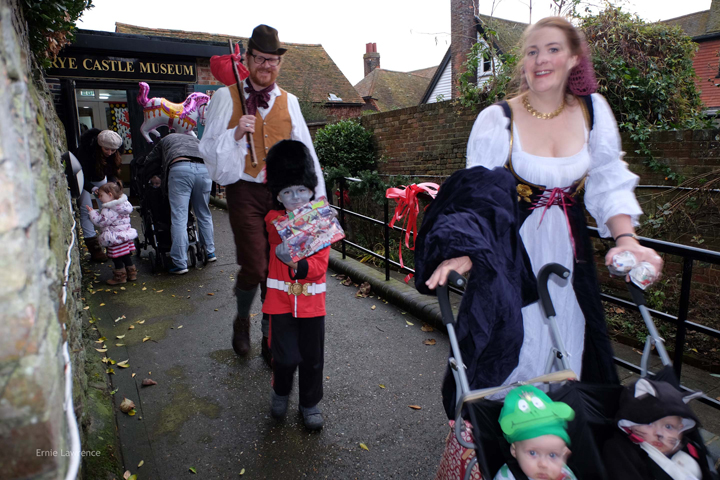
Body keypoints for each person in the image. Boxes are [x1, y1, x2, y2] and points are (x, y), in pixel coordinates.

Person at [418, 17, 665, 409]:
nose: (540, 59)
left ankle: (553, 456)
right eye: (532, 51)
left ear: (573, 59)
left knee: (569, 344)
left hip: (569, 254)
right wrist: (468, 250)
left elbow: (607, 179)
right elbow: (479, 199)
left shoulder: (593, 111)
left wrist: (626, 239)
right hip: (511, 255)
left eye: (552, 49)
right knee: (513, 347)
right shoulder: (498, 120)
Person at [199, 24, 326, 363]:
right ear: (247, 58)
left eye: (273, 60)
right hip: (244, 191)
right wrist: (237, 134)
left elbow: (307, 154)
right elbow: (209, 154)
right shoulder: (226, 98)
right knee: (255, 266)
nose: (267, 66)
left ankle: (271, 330)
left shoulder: (291, 102)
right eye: (260, 59)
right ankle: (242, 320)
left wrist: (319, 203)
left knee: (280, 267)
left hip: (284, 196)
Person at [263, 140, 329, 431]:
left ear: (312, 190)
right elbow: (278, 233)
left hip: (312, 305)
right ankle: (280, 391)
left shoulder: (320, 221)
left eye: (302, 190)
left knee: (313, 359)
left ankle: (309, 403)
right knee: (284, 357)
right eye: (287, 192)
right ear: (278, 195)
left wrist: (297, 263)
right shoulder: (274, 220)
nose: (296, 197)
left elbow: (319, 266)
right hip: (280, 303)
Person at [603, 378, 704, 480]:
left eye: (668, 427)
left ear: (680, 430)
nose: (660, 434)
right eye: (649, 424)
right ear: (631, 425)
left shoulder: (687, 450)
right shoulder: (621, 451)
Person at [144, 133, 216, 274]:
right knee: (204, 213)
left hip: (180, 169)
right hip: (204, 169)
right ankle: (210, 252)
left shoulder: (165, 140)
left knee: (179, 217)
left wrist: (151, 177)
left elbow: (150, 161)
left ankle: (180, 262)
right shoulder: (195, 139)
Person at [495, 386, 576, 480]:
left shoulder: (565, 474)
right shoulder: (506, 477)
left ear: (564, 454)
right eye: (532, 453)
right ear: (514, 450)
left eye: (552, 455)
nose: (543, 464)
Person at [77, 128, 124, 262]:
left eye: (113, 150)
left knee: (109, 208)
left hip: (99, 176)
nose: (109, 153)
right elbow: (79, 175)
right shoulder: (85, 152)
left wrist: (112, 184)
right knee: (86, 210)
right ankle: (94, 248)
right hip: (83, 178)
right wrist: (92, 189)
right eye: (106, 149)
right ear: (99, 146)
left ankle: (114, 241)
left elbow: (111, 172)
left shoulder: (114, 154)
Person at [85, 182, 138, 285]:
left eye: (101, 195)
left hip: (115, 238)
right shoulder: (124, 205)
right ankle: (132, 274)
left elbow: (100, 222)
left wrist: (92, 213)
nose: (99, 198)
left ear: (110, 195)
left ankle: (120, 277)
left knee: (117, 257)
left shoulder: (108, 210)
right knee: (126, 255)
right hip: (125, 236)